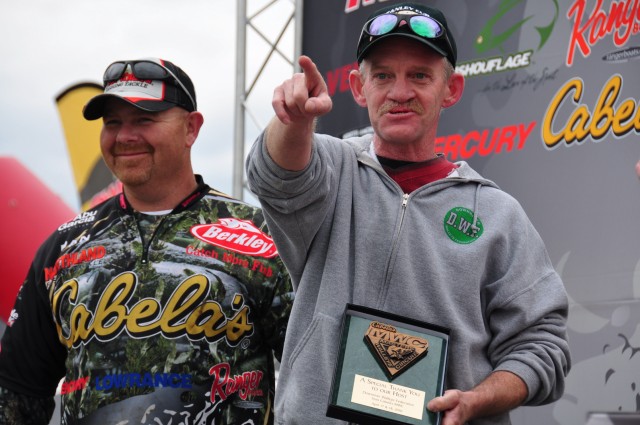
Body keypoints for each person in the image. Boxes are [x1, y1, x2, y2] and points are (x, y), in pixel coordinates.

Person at [245, 2, 570, 425]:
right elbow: (274, 176)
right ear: (358, 87)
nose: (400, 92)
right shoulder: (331, 168)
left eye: (419, 75)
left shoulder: (497, 214)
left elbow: (542, 346)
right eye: (383, 76)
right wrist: (293, 121)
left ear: (451, 89)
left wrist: (476, 400)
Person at [0, 57, 293, 425]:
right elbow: (18, 393)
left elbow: (312, 374)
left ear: (191, 128)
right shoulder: (64, 247)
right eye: (113, 123)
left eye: (144, 120)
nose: (125, 136)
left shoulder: (262, 237)